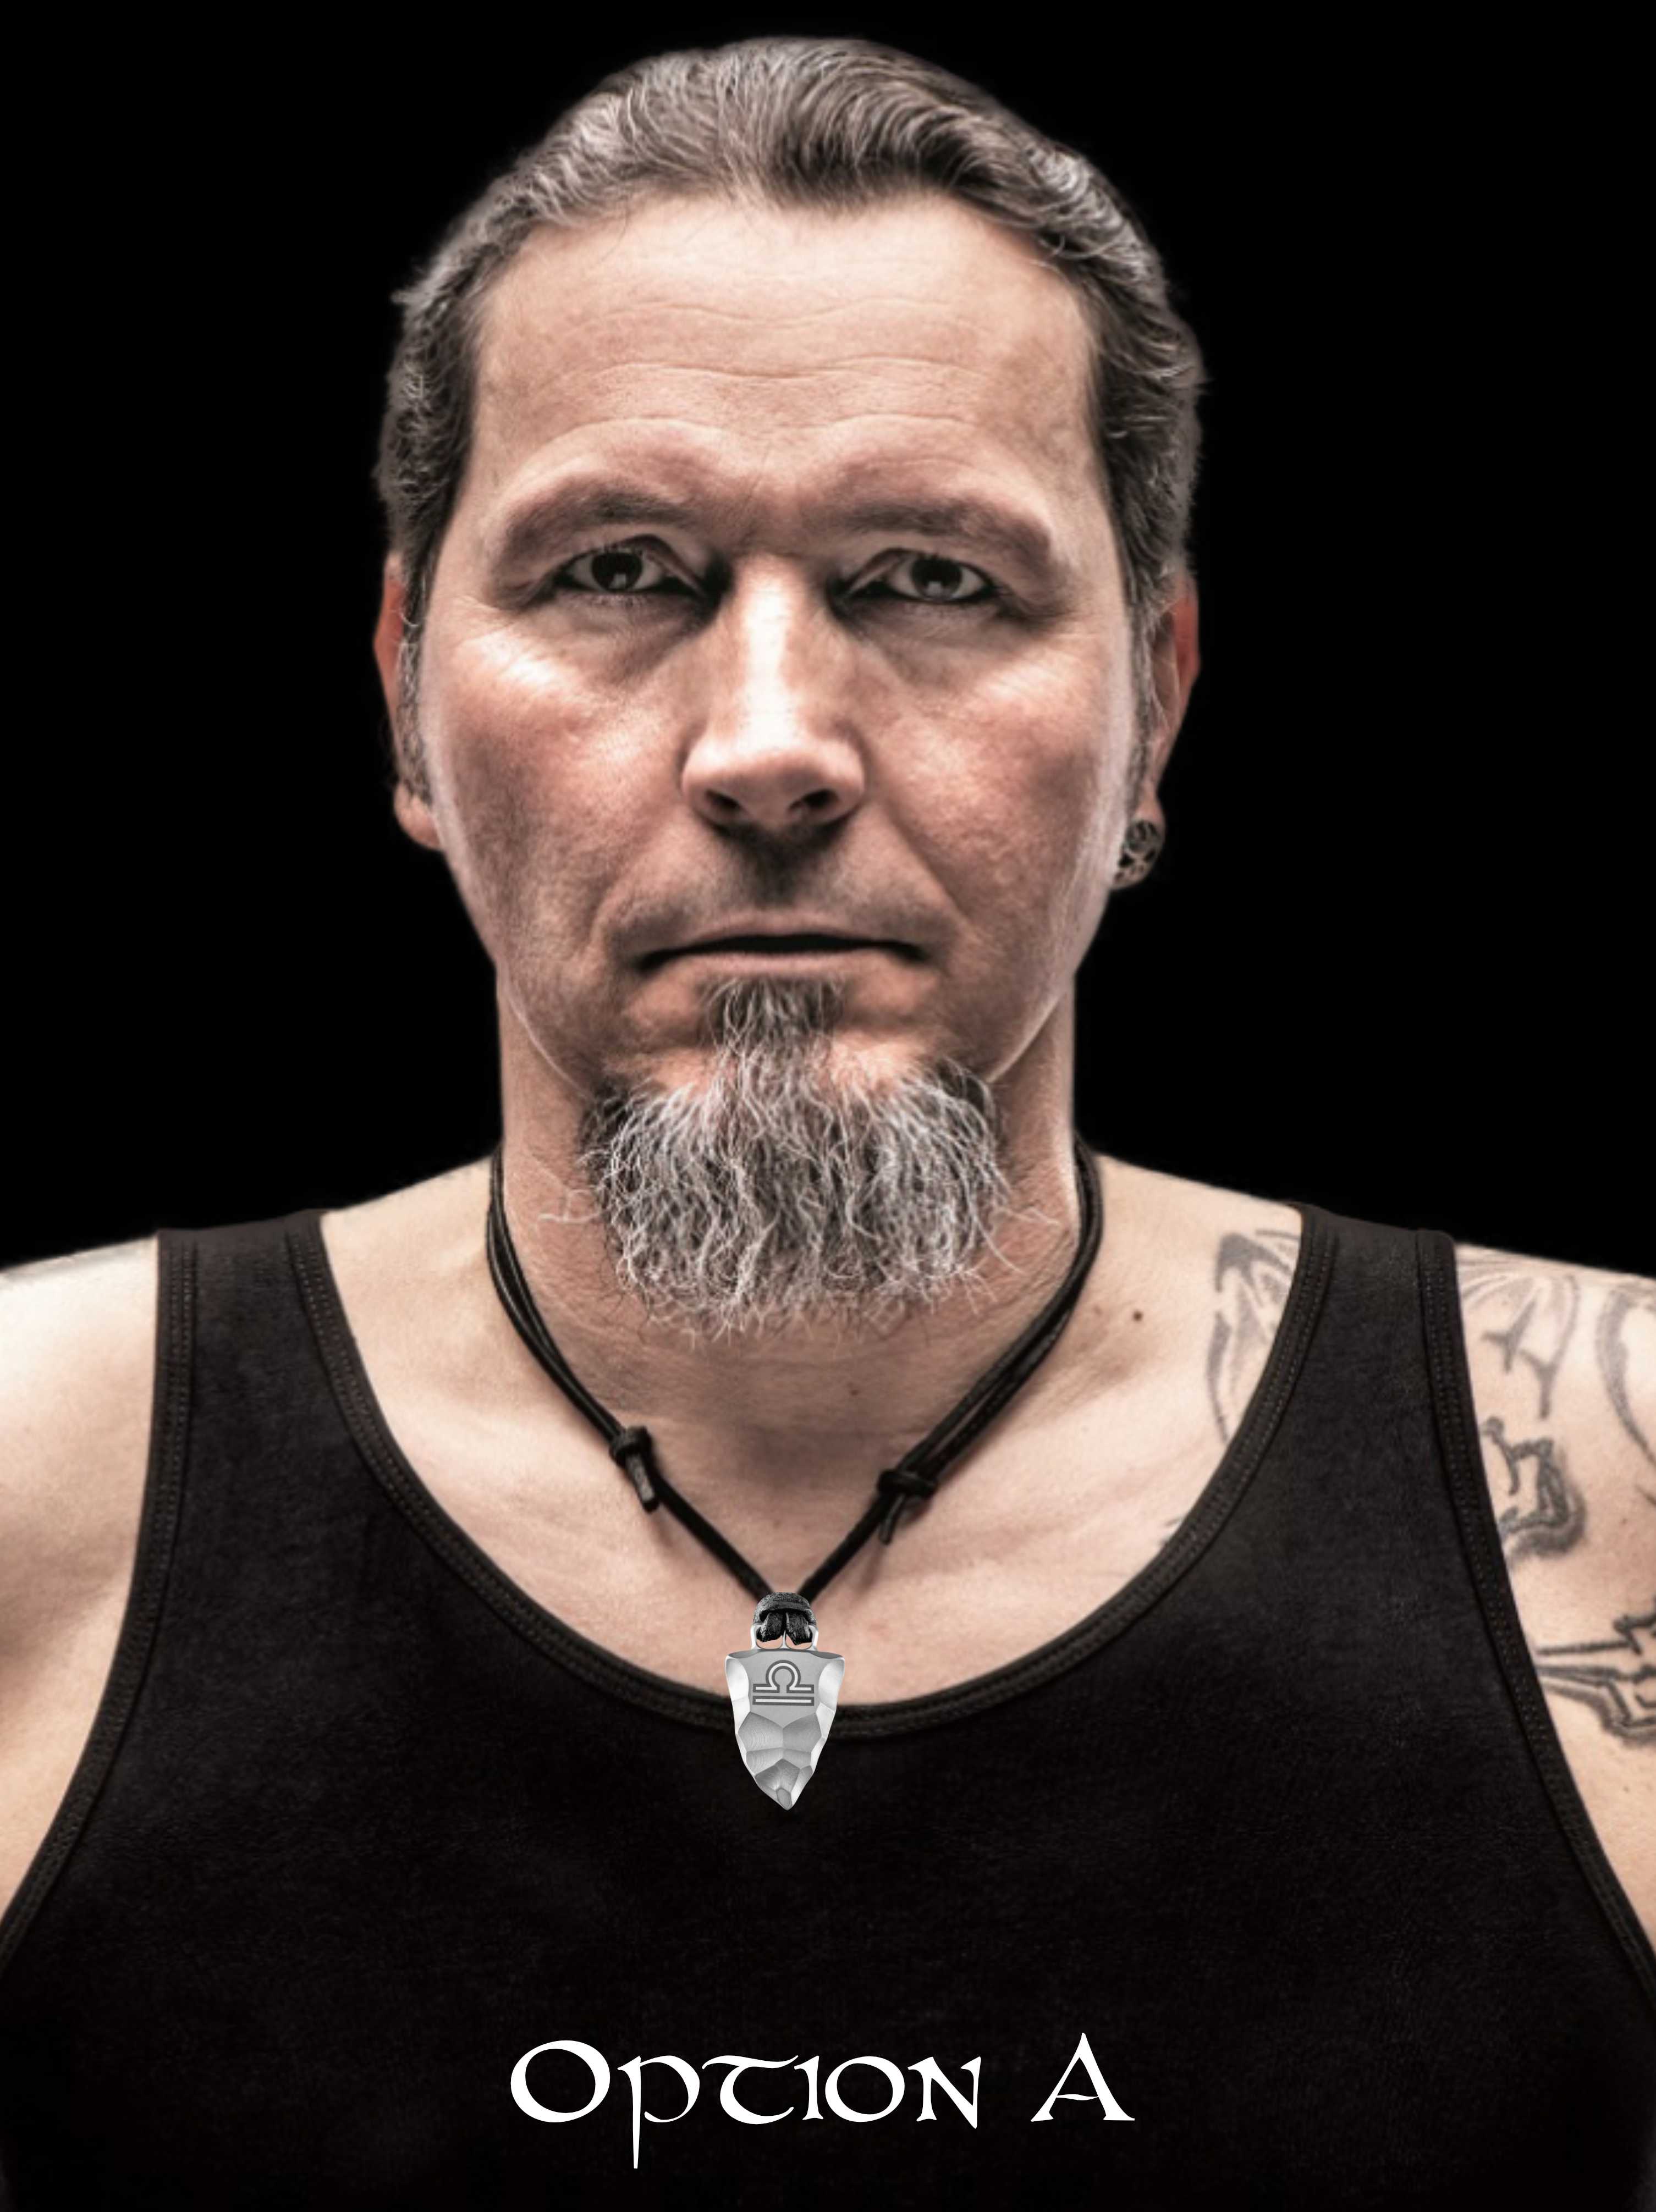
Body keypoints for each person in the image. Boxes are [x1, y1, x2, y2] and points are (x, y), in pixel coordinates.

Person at [1, 34, 1651, 2208]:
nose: (769, 748)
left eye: (930, 579)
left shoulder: (1618, 1484)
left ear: (1156, 698)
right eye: (620, 570)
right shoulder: (28, 1485)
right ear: (404, 688)